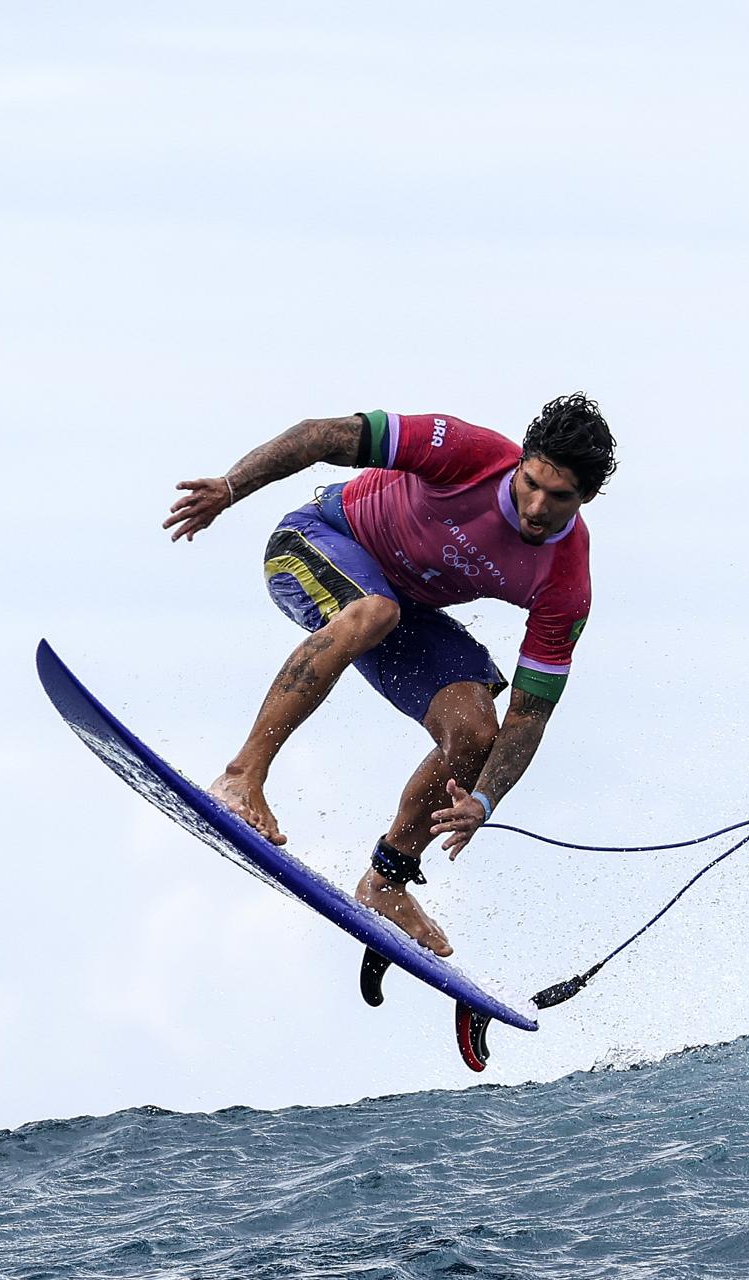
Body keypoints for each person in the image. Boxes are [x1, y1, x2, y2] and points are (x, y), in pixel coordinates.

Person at [162, 394, 615, 1002]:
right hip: (314, 541)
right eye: (531, 483)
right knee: (374, 610)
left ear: (586, 497)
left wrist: (484, 800)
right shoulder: (465, 452)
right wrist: (230, 486)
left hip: (405, 612)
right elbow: (321, 435)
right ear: (521, 462)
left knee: (477, 734)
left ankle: (387, 879)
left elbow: (530, 715)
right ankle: (242, 776)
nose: (537, 507)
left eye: (558, 497)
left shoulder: (566, 579)